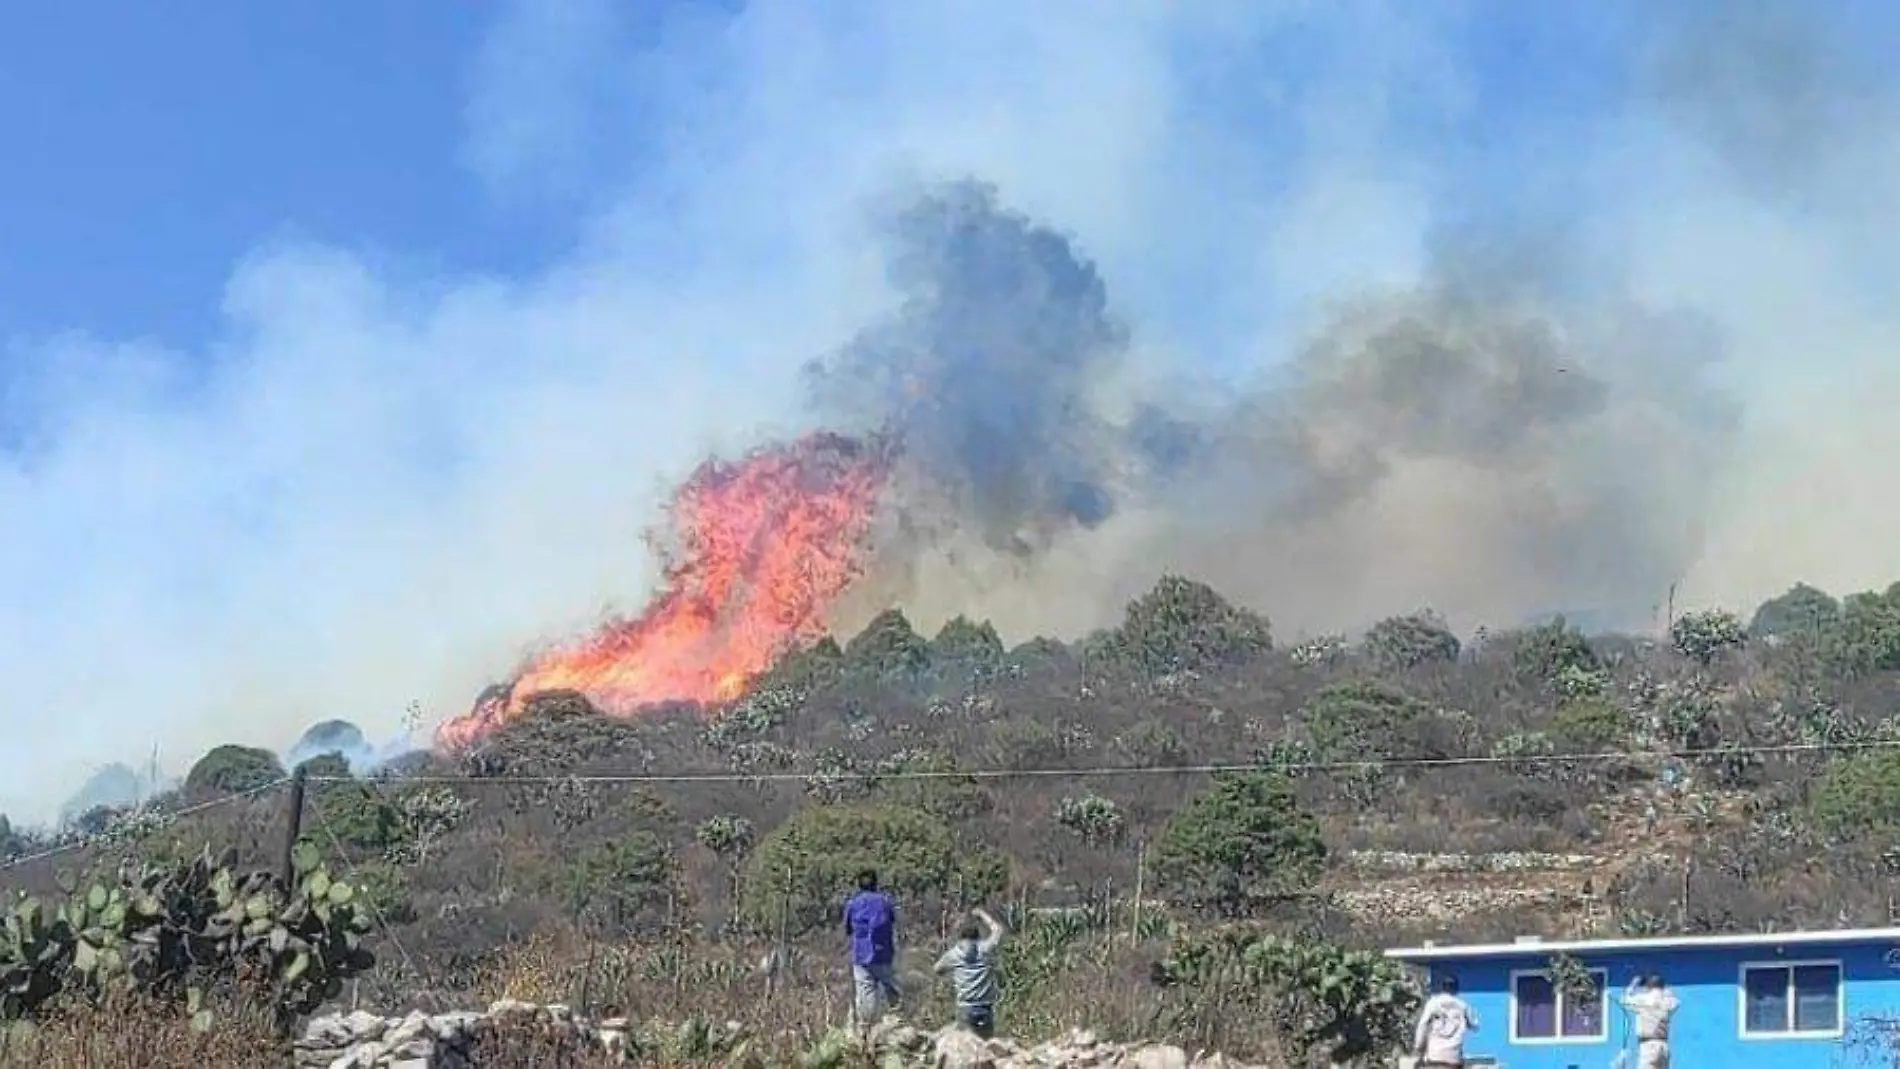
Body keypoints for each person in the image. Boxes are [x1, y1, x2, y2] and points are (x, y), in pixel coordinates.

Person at [934, 906, 1005, 1037]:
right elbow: (998, 930)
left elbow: (937, 969)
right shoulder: (986, 949)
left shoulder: (954, 955)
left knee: (966, 1046)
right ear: (978, 937)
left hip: (965, 1007)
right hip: (985, 1006)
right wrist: (983, 914)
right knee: (987, 1045)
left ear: (961, 938)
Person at [843, 868, 901, 1026]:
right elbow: (893, 920)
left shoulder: (853, 903)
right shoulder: (885, 901)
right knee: (890, 987)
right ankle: (897, 1021)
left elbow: (847, 929)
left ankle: (866, 1028)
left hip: (861, 955)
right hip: (884, 953)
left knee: (865, 992)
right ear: (876, 883)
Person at [1412, 975, 1478, 1067]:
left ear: (1442, 987)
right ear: (1456, 988)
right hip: (1453, 1057)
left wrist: (1418, 1047)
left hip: (1434, 1056)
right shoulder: (1463, 1006)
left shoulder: (1433, 1003)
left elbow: (1423, 1025)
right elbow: (1474, 1026)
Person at [1619, 972, 1679, 1069]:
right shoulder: (1667, 1001)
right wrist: (1665, 991)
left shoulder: (1643, 999)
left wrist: (1633, 985)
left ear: (1648, 986)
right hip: (1663, 1045)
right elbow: (1676, 1003)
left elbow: (1624, 1000)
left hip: (1648, 1045)